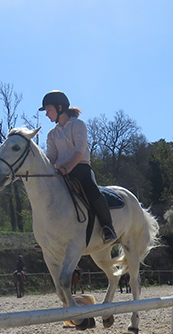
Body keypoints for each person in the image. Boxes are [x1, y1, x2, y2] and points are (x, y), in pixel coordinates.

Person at [39, 90, 117, 243]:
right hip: (60, 173)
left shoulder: (78, 125)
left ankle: (108, 227)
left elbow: (79, 151)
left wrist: (67, 168)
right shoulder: (51, 134)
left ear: (59, 107)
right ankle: (46, 234)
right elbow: (51, 157)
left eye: (48, 110)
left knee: (92, 191)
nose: (46, 114)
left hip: (80, 169)